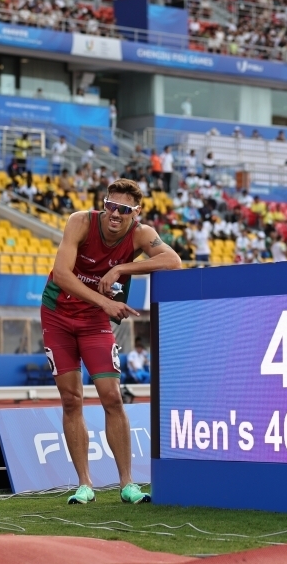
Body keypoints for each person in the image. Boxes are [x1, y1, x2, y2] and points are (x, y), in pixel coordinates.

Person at [41, 178, 181, 505]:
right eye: (110, 206)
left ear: (137, 212)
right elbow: (62, 274)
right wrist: (105, 302)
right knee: (72, 398)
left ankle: (127, 484)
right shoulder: (80, 221)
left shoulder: (141, 234)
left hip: (93, 323)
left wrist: (122, 267)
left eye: (124, 209)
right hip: (57, 315)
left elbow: (173, 261)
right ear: (103, 204)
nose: (115, 214)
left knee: (112, 397)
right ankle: (84, 484)